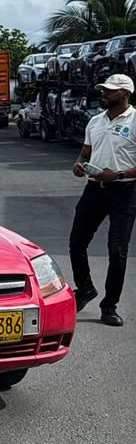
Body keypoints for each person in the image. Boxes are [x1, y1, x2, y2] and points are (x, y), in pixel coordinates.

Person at [68, 73, 136, 327]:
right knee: (76, 242)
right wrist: (79, 165)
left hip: (125, 192)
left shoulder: (135, 119)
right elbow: (85, 153)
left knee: (117, 251)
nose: (103, 94)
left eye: (109, 91)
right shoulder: (95, 121)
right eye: (103, 90)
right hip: (94, 189)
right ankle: (85, 288)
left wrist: (117, 174)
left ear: (125, 94)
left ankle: (109, 307)